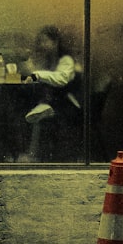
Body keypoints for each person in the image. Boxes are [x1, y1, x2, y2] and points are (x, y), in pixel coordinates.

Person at [19, 25, 81, 161]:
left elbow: (61, 79)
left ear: (55, 42)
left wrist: (36, 75)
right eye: (40, 41)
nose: (42, 45)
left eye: (45, 41)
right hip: (53, 101)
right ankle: (31, 154)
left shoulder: (66, 60)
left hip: (67, 105)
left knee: (36, 115)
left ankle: (34, 155)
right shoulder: (48, 59)